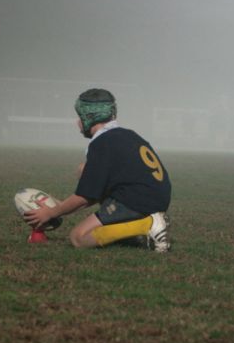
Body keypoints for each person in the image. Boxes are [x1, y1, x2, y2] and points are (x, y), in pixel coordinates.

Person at [24, 88, 171, 252]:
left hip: (138, 201)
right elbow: (99, 187)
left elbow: (84, 197)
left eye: (80, 117)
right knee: (84, 170)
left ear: (88, 118)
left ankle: (147, 225)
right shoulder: (127, 135)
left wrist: (51, 213)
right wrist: (62, 205)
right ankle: (137, 231)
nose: (77, 123)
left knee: (78, 238)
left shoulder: (102, 143)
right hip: (153, 197)